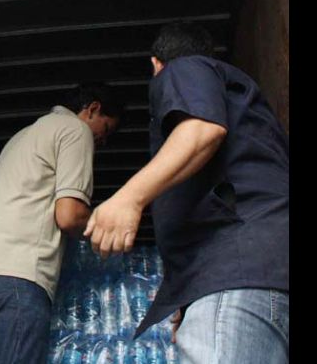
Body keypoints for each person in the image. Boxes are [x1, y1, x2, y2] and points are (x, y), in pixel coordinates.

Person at [84, 22, 289, 363]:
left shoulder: (184, 69)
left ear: (155, 64)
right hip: (261, 274)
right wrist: (189, 298)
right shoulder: (251, 114)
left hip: (236, 272)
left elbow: (202, 129)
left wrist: (128, 198)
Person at [0, 83, 124, 364]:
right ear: (93, 109)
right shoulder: (75, 130)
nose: (103, 141)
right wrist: (106, 225)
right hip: (17, 278)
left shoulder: (24, 136)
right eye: (106, 129)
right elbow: (69, 215)